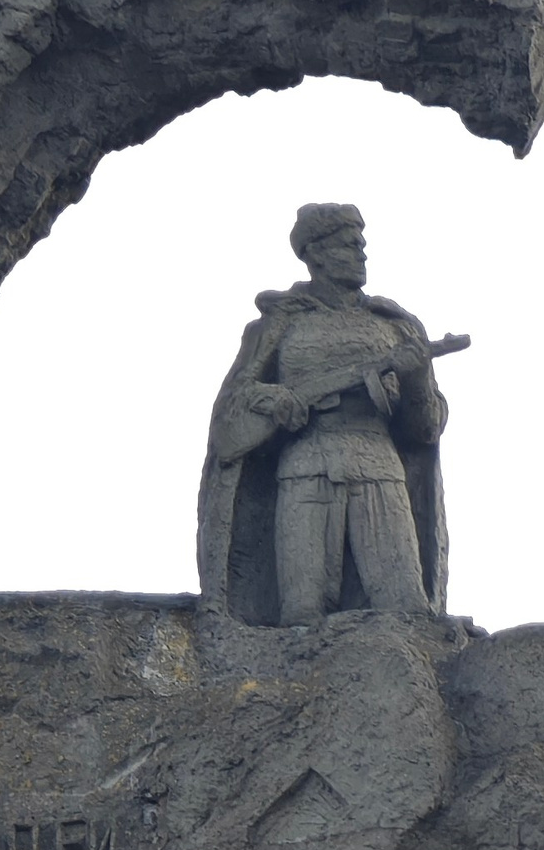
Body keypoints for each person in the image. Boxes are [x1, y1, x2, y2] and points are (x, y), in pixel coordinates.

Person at [197, 204, 462, 625]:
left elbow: (425, 430)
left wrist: (415, 379)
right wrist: (279, 401)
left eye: (362, 244)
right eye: (348, 244)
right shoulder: (277, 324)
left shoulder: (396, 326)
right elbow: (235, 406)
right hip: (305, 468)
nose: (361, 253)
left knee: (405, 607)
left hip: (379, 468)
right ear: (314, 253)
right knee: (300, 614)